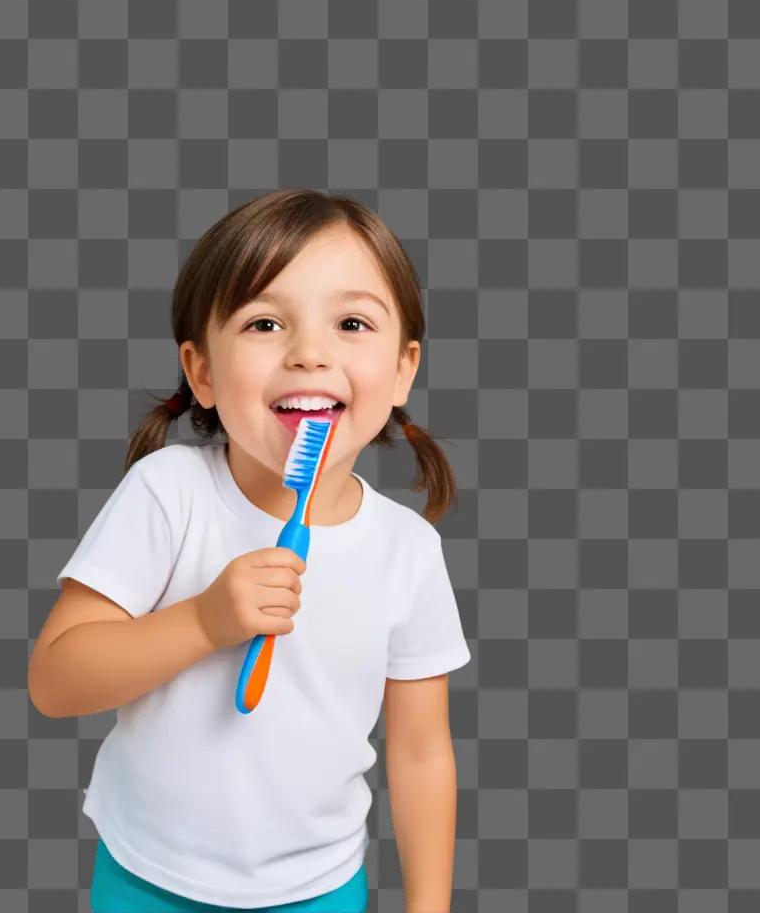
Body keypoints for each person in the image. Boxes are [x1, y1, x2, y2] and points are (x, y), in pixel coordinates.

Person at [28, 188, 472, 913]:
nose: (309, 353)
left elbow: (422, 753)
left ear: (402, 370)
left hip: (318, 890)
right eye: (265, 322)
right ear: (201, 371)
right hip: (148, 879)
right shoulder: (168, 494)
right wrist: (203, 622)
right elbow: (55, 682)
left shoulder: (408, 552)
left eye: (352, 322)